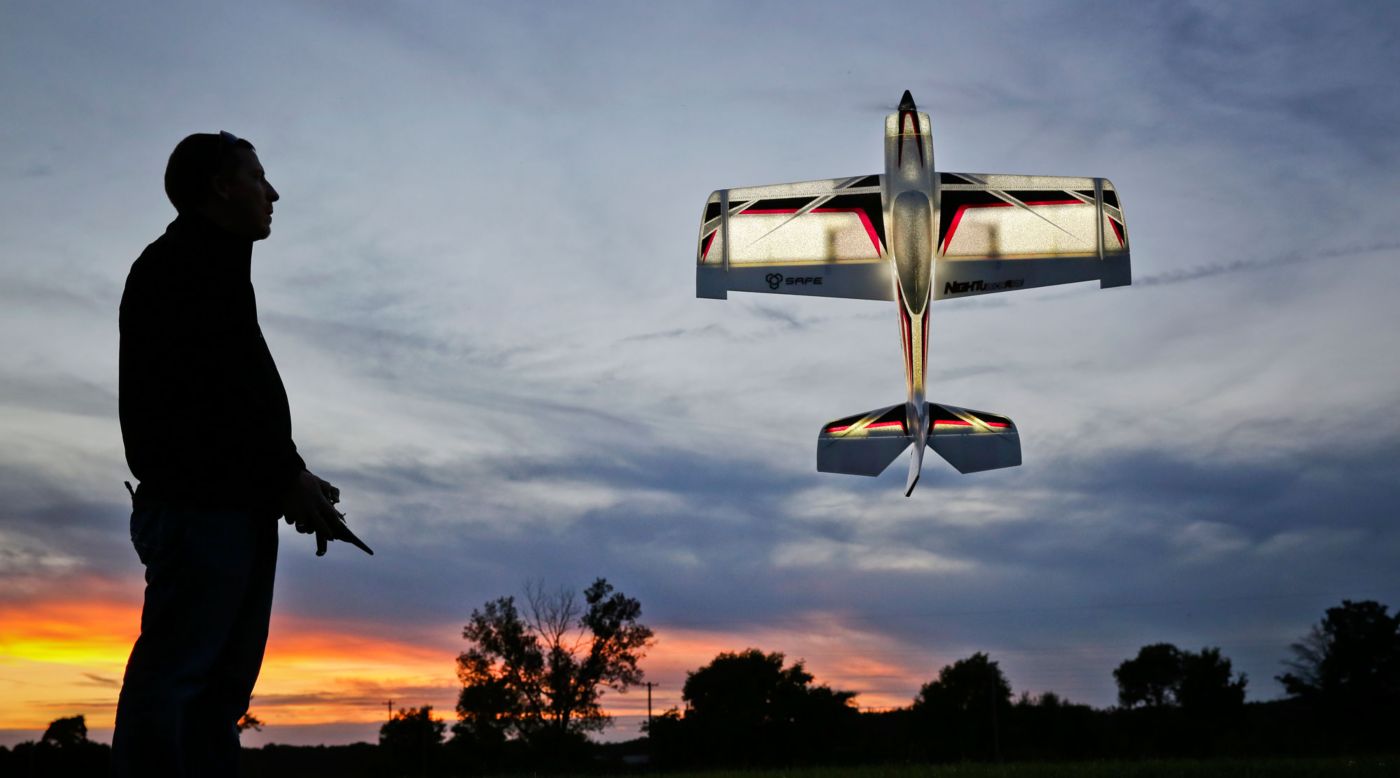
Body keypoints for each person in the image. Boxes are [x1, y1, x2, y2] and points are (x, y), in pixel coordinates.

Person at [112, 131, 347, 776]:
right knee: (178, 683)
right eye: (257, 177)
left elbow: (235, 398)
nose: (273, 193)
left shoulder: (212, 268)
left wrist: (287, 477)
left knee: (214, 696)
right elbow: (206, 403)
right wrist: (283, 475)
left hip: (231, 510)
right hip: (200, 514)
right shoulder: (180, 267)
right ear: (220, 186)